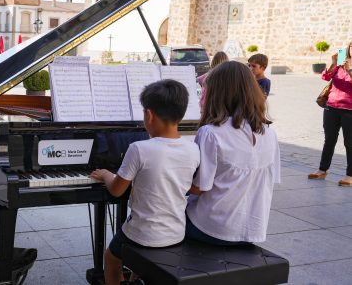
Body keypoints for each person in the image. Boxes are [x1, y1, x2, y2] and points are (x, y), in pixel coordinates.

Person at [90, 80, 200, 285]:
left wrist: (105, 174)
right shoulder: (193, 149)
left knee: (111, 258)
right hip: (176, 233)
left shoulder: (139, 149)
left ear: (149, 115)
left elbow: (116, 190)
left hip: (142, 234)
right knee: (139, 260)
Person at [186, 61, 280, 246]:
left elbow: (199, 188)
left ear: (217, 94)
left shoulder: (211, 133)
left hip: (211, 229)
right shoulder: (270, 134)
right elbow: (270, 180)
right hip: (253, 230)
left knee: (153, 222)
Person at [308, 43, 352, 186]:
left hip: (350, 110)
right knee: (329, 140)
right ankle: (322, 170)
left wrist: (349, 70)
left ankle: (350, 175)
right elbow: (326, 77)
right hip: (331, 107)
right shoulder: (340, 63)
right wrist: (333, 63)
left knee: (349, 143)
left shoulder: (347, 66)